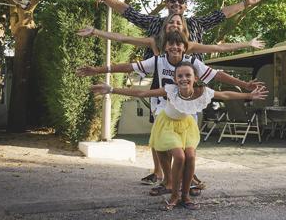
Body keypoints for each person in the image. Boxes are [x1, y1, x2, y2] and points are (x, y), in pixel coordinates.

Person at [76, 31, 264, 192]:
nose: (174, 47)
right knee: (163, 146)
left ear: (185, 47)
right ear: (165, 47)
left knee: (187, 151)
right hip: (162, 105)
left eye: (178, 44)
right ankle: (168, 180)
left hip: (186, 108)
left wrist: (245, 86)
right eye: (171, 43)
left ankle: (184, 181)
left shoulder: (193, 63)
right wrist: (98, 71)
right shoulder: (157, 60)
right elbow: (128, 67)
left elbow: (218, 77)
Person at [90, 61, 268, 211]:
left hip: (186, 126)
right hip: (167, 125)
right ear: (175, 79)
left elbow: (226, 95)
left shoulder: (202, 92)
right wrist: (112, 89)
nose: (184, 79)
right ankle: (174, 196)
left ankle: (186, 197)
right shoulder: (171, 90)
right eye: (180, 76)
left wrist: (248, 95)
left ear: (195, 78)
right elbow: (142, 93)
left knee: (190, 157)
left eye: (187, 75)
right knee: (179, 156)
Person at [87, 0, 263, 60]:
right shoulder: (154, 23)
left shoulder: (196, 24)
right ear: (167, 4)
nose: (177, 3)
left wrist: (244, 4)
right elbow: (128, 12)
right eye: (173, 0)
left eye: (181, 1)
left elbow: (222, 15)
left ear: (185, 6)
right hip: (161, 74)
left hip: (190, 75)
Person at [76, 14, 264, 56]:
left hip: (183, 91)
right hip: (160, 91)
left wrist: (247, 43)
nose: (174, 24)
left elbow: (219, 47)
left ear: (183, 28)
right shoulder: (154, 42)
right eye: (171, 22)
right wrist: (96, 32)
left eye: (178, 23)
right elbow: (123, 38)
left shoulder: (189, 46)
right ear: (165, 26)